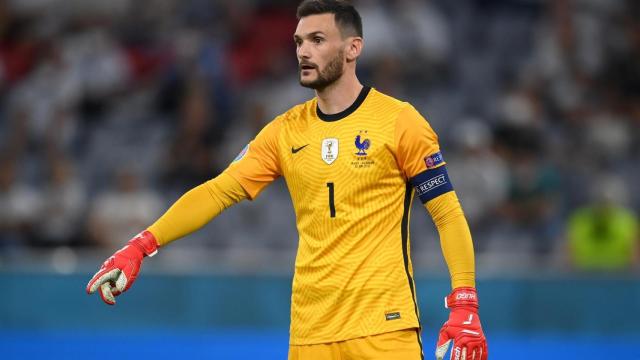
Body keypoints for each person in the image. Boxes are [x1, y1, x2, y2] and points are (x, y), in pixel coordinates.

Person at [86, 1, 488, 359]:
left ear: (353, 48)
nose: (303, 51)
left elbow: (447, 215)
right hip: (309, 334)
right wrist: (142, 245)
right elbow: (217, 191)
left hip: (384, 329)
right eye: (298, 42)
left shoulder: (400, 121)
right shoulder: (285, 132)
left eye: (317, 39)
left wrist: (465, 302)